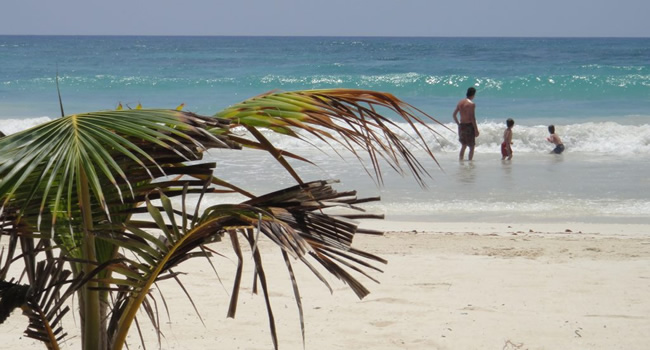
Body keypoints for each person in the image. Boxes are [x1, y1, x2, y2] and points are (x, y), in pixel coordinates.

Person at [453, 87, 479, 160]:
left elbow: (454, 115)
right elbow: (472, 118)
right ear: (473, 94)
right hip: (469, 126)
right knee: (472, 146)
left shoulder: (460, 102)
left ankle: (461, 161)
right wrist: (476, 129)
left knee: (463, 145)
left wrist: (458, 124)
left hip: (462, 125)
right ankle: (470, 161)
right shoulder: (471, 104)